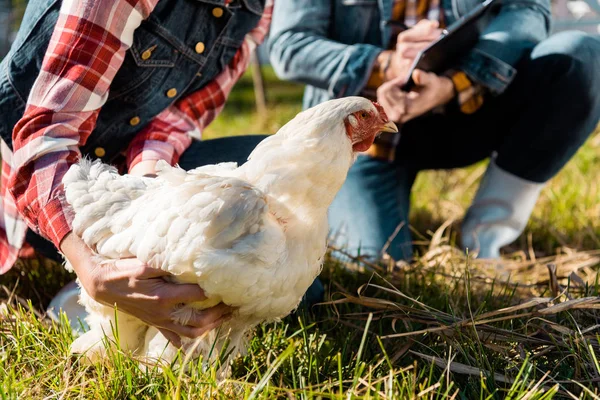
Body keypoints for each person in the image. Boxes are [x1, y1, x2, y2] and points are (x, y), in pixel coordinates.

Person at [0, 0, 279, 346]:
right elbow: (48, 136)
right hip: (34, 193)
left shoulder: (259, 8)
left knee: (278, 248)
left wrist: (148, 200)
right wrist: (93, 270)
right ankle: (89, 286)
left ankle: (128, 286)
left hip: (118, 183)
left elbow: (178, 119)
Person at [268, 0, 600, 261]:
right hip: (365, 138)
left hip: (470, 107)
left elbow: (527, 8)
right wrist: (387, 65)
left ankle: (486, 237)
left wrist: (451, 83)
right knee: (376, 268)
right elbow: (289, 44)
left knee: (582, 56)